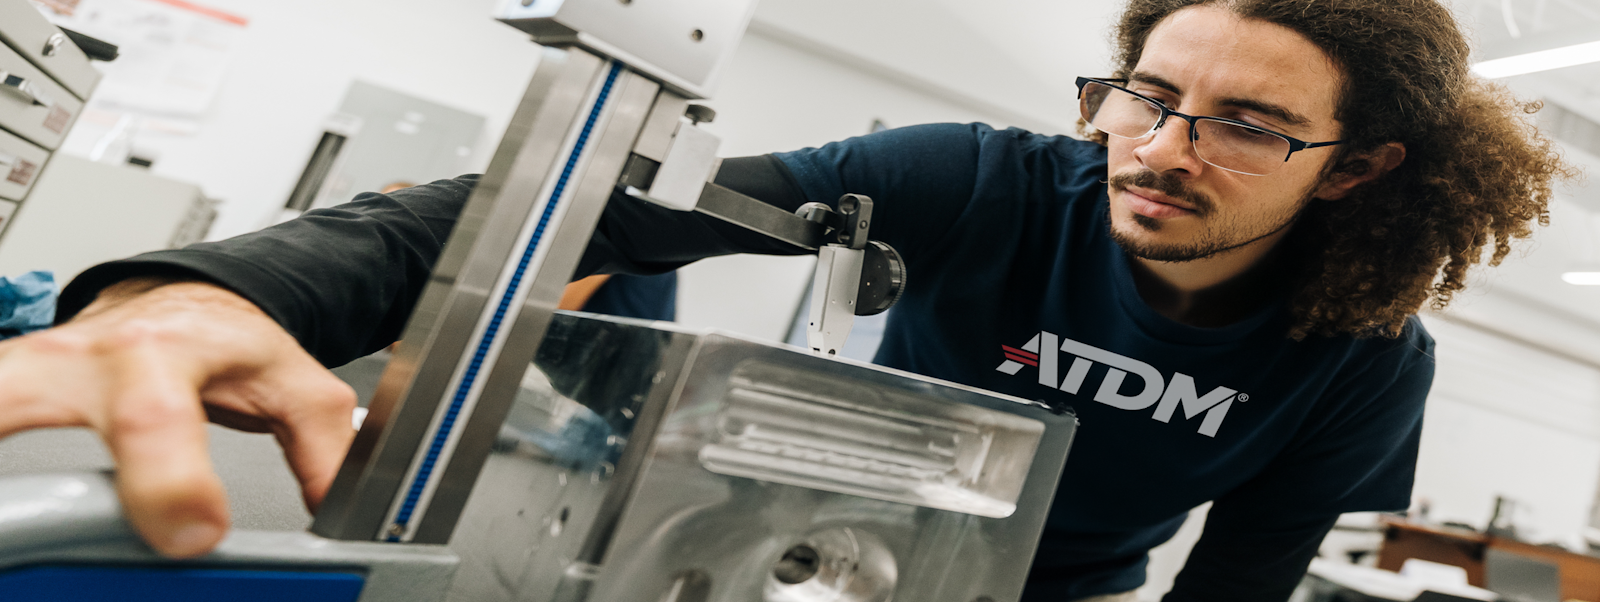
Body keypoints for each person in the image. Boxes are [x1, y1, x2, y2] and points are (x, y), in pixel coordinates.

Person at [0, 0, 1572, 599]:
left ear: (1355, 170)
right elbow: (599, 207)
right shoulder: (982, 178)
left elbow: (1243, 584)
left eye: (1241, 124)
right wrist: (190, 291)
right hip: (827, 560)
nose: (1156, 153)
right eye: (1144, 96)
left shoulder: (1363, 359)